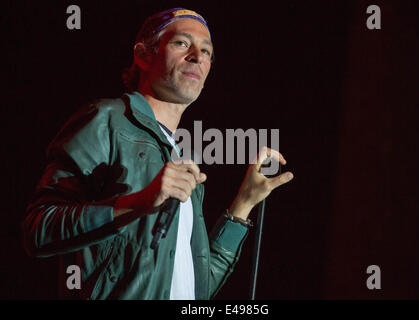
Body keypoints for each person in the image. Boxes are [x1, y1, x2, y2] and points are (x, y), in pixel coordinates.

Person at [22, 8, 294, 300]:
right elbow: (38, 230)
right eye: (182, 43)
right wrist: (138, 202)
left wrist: (244, 204)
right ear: (143, 55)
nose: (197, 56)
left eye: (206, 51)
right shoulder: (108, 120)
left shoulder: (181, 161)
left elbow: (195, 290)